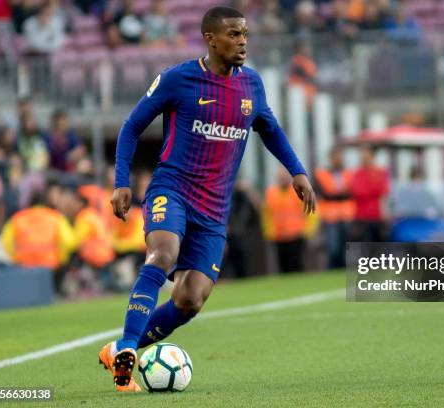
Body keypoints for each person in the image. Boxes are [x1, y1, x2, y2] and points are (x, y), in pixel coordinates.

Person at [98, 6, 316, 392]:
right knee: (162, 254)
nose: (242, 41)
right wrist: (121, 181)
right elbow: (132, 126)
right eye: (233, 34)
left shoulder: (252, 85)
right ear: (210, 38)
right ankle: (129, 350)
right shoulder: (179, 79)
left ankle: (117, 349)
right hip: (173, 189)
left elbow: (271, 129)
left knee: (190, 299)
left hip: (214, 209)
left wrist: (297, 170)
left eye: (245, 34)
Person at [263, 167, 309, 273]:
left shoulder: (297, 191)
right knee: (283, 266)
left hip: (296, 234)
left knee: (296, 264)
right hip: (279, 236)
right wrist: (269, 231)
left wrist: (307, 230)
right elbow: (266, 214)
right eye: (280, 177)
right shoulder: (271, 193)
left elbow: (309, 212)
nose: (282, 179)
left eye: (284, 176)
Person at [314, 147, 354, 269]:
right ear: (331, 158)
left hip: (346, 215)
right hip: (330, 216)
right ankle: (332, 270)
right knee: (334, 247)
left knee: (346, 247)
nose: (338, 159)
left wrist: (336, 194)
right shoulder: (322, 174)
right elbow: (325, 193)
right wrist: (340, 194)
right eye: (336, 156)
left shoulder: (348, 173)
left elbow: (351, 192)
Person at [350, 146, 389, 242]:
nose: (364, 159)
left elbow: (384, 190)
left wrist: (368, 189)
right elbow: (356, 191)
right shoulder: (357, 174)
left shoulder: (380, 172)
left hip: (378, 217)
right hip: (361, 217)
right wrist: (374, 188)